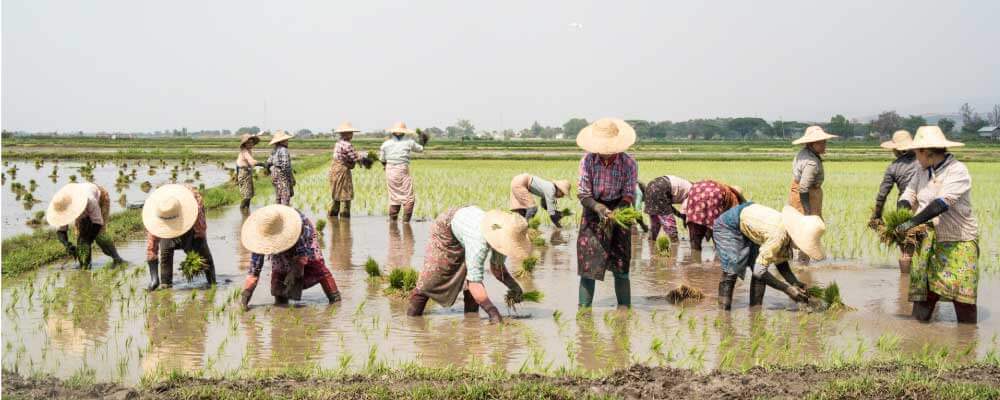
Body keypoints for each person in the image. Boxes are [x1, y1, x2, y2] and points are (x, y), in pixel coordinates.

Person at [896, 126, 979, 324]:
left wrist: (911, 222)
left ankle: (966, 342)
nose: (916, 158)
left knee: (962, 299)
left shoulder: (957, 170)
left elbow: (941, 203)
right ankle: (918, 340)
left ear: (928, 153)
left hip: (957, 242)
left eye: (917, 153)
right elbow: (909, 193)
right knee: (924, 296)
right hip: (927, 241)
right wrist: (902, 210)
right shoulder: (922, 170)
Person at [407, 208, 530, 323]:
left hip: (466, 228)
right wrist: (493, 312)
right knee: (431, 279)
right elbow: (474, 282)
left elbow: (497, 269)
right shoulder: (479, 243)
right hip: (446, 228)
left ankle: (471, 321)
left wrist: (515, 288)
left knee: (469, 280)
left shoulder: (503, 242)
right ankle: (411, 321)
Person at [574, 118, 638, 308]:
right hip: (593, 211)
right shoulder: (588, 161)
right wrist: (600, 209)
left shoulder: (629, 163)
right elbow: (583, 194)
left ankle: (624, 312)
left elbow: (629, 194)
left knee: (621, 266)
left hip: (620, 211)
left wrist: (616, 212)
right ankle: (584, 315)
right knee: (589, 267)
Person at [713, 204, 825, 310]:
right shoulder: (778, 235)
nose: (799, 248)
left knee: (759, 267)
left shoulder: (786, 232)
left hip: (749, 223)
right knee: (732, 270)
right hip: (729, 225)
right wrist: (787, 289)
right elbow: (759, 271)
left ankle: (755, 311)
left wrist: (794, 282)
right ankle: (724, 313)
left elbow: (780, 262)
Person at [239, 205, 342, 310]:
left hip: (303, 241)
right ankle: (281, 304)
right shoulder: (259, 236)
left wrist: (294, 272)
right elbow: (254, 270)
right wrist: (246, 295)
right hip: (284, 241)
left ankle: (335, 299)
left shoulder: (297, 224)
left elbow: (302, 254)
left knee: (316, 267)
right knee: (279, 277)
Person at [143, 184, 216, 290]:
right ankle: (165, 285)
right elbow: (151, 248)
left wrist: (192, 252)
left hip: (188, 222)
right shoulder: (157, 214)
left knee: (203, 253)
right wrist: (154, 277)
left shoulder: (194, 204)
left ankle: (212, 283)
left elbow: (201, 231)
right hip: (167, 224)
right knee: (166, 253)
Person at [869, 130, 921, 273]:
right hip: (925, 206)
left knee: (906, 248)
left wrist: (877, 216)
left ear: (896, 149)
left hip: (904, 209)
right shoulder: (923, 161)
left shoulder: (893, 167)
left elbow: (882, 195)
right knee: (926, 244)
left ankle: (904, 282)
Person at [46, 182, 125, 269]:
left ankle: (117, 258)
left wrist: (88, 240)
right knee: (80, 236)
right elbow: (61, 231)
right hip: (84, 205)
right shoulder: (62, 205)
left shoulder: (90, 200)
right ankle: (85, 265)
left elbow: (98, 223)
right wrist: (67, 245)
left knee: (100, 236)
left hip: (100, 197)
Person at [379, 122, 428, 222]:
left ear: (393, 133)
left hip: (389, 170)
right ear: (404, 132)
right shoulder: (409, 142)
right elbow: (420, 149)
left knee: (394, 197)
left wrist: (386, 167)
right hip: (402, 169)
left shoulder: (385, 144)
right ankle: (406, 222)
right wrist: (423, 141)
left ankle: (393, 222)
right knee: (409, 198)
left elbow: (382, 159)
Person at [788, 125, 838, 217]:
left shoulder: (803, 153)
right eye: (821, 142)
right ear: (812, 144)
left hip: (797, 195)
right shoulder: (811, 163)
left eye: (824, 142)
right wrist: (807, 212)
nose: (824, 145)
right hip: (806, 198)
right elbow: (803, 187)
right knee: (810, 228)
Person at [681, 180, 744, 252]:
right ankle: (718, 256)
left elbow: (685, 207)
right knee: (719, 235)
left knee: (695, 235)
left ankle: (695, 257)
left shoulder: (719, 187)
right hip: (713, 197)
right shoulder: (732, 196)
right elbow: (732, 219)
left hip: (695, 191)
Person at [328, 122, 371, 218]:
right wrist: (365, 159)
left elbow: (350, 157)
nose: (352, 135)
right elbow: (356, 158)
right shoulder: (347, 145)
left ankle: (332, 221)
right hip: (342, 171)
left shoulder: (338, 143)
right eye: (350, 133)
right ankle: (345, 222)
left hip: (334, 170)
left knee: (336, 195)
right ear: (345, 134)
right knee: (346, 195)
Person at [641, 175, 692, 243]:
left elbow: (668, 207)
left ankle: (651, 241)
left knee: (655, 221)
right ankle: (675, 242)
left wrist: (680, 216)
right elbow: (684, 211)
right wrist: (684, 219)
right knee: (668, 219)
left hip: (651, 186)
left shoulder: (687, 186)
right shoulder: (693, 191)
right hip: (661, 187)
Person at [267, 130, 296, 205]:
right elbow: (286, 166)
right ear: (282, 141)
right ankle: (284, 213)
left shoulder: (274, 150)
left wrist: (273, 171)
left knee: (278, 195)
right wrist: (291, 178)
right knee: (285, 196)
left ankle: (277, 213)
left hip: (275, 174)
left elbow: (269, 162)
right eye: (286, 140)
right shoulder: (284, 150)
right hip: (282, 174)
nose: (287, 141)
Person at [236, 134, 263, 211]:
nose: (251, 144)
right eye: (248, 143)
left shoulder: (249, 150)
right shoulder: (244, 151)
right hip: (243, 173)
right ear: (244, 144)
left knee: (249, 194)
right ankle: (242, 211)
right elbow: (251, 162)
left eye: (251, 142)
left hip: (247, 172)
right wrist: (261, 164)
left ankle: (247, 211)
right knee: (247, 195)